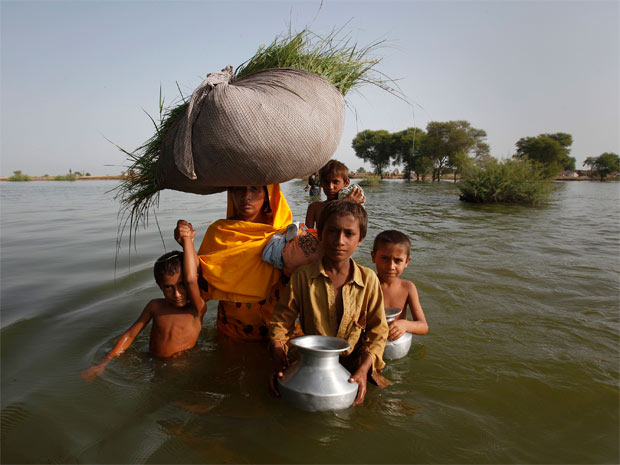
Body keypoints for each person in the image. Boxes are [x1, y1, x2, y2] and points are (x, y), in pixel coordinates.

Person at [269, 200, 389, 405]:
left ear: (361, 239)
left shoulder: (368, 279)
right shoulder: (302, 278)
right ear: (321, 234)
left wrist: (364, 369)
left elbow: (378, 331)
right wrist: (279, 358)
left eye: (349, 234)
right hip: (312, 362)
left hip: (356, 362)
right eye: (332, 231)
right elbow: (281, 323)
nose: (339, 240)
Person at [82, 222, 206, 380]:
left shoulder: (197, 309)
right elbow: (131, 334)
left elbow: (191, 279)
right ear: (159, 286)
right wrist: (104, 362)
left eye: (181, 285)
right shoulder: (155, 306)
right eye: (168, 287)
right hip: (152, 363)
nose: (177, 293)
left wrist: (187, 240)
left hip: (182, 366)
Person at [176, 184, 296, 342]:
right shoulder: (220, 232)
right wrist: (187, 242)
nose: (246, 196)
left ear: (268, 194)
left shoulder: (285, 234)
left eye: (254, 189)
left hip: (277, 331)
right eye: (239, 189)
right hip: (231, 329)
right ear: (230, 193)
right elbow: (200, 279)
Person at [371, 230, 429, 341]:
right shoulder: (367, 284)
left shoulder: (408, 288)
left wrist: (405, 325)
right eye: (385, 258)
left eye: (398, 260)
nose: (391, 266)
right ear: (373, 257)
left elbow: (423, 326)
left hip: (397, 345)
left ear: (407, 262)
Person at [305, 160, 364, 229]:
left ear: (346, 182)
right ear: (321, 183)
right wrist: (343, 203)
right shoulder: (314, 207)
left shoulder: (353, 206)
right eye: (326, 182)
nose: (330, 187)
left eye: (336, 182)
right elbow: (307, 236)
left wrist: (347, 204)